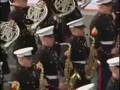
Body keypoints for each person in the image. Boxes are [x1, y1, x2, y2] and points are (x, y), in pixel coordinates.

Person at [90, 0, 118, 90]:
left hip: (113, 51)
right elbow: (95, 44)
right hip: (103, 56)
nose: (111, 7)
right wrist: (109, 52)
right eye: (109, 5)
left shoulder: (109, 17)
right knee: (104, 80)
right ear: (101, 6)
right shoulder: (96, 21)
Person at [67, 17, 90, 89]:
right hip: (76, 70)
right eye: (81, 29)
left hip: (84, 69)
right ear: (73, 30)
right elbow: (65, 58)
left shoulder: (82, 39)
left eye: (83, 28)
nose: (83, 30)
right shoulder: (70, 42)